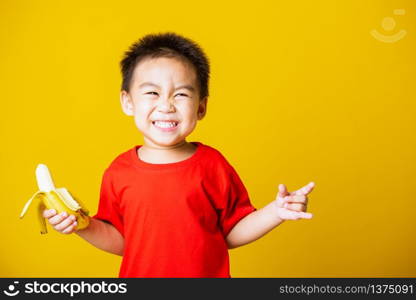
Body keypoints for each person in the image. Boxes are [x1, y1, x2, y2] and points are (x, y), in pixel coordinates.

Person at [42, 32, 316, 278]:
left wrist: (275, 212)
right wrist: (82, 226)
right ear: (128, 102)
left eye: (181, 95)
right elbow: (123, 242)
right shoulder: (118, 171)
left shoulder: (212, 165)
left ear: (201, 107)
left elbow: (231, 233)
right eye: (152, 92)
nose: (166, 106)